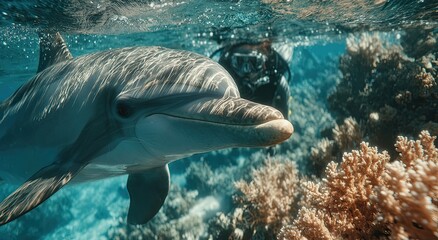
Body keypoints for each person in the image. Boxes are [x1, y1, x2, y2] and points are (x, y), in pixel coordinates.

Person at [210, 41, 291, 119]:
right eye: (239, 61)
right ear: (231, 62)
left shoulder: (276, 81)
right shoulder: (222, 78)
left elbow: (285, 122)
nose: (246, 70)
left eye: (254, 62)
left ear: (263, 63)